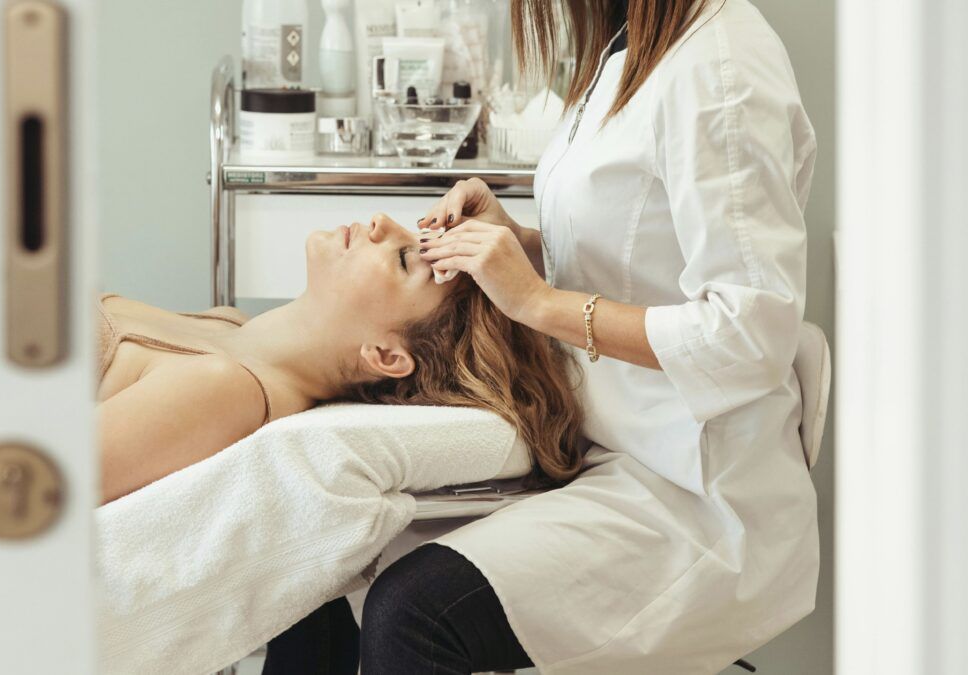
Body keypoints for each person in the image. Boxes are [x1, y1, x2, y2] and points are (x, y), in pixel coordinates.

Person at [264, 0, 821, 672]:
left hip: (694, 494)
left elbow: (748, 336)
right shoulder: (628, 48)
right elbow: (638, 258)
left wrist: (537, 301)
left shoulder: (722, 66)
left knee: (414, 612)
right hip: (608, 450)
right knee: (314, 557)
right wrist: (521, 244)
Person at [95, 214, 584, 505]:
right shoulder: (230, 327)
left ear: (387, 356)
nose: (382, 223)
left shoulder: (222, 390)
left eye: (403, 259)